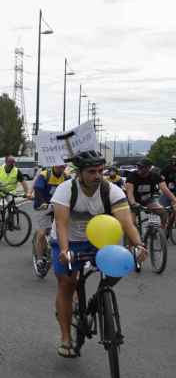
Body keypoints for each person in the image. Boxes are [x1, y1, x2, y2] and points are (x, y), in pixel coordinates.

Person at [52, 151, 145, 357]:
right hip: (70, 240)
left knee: (123, 264)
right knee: (67, 283)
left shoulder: (111, 190)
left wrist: (139, 245)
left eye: (100, 171)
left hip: (99, 238)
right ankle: (66, 337)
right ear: (79, 173)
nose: (97, 175)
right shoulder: (65, 190)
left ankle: (100, 296)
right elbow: (62, 224)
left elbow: (125, 222)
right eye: (91, 171)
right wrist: (65, 250)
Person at [32, 163, 69, 275]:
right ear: (54, 165)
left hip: (59, 206)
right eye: (59, 166)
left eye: (63, 167)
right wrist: (42, 203)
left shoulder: (66, 177)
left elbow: (73, 190)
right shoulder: (45, 175)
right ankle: (39, 259)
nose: (61, 169)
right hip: (44, 206)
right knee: (42, 232)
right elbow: (38, 189)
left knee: (64, 229)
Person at [124, 158, 175, 229]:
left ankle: (162, 230)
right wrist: (133, 203)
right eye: (138, 166)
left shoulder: (155, 176)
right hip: (133, 201)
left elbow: (165, 190)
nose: (139, 168)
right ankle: (135, 237)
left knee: (163, 213)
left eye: (142, 167)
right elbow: (130, 193)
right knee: (132, 223)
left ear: (149, 168)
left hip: (147, 200)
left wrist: (174, 200)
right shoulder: (132, 176)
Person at [0, 155, 33, 229]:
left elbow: (24, 183)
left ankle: (11, 223)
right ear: (6, 162)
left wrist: (27, 193)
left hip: (9, 191)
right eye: (11, 162)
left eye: (14, 162)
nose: (13, 164)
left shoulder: (16, 171)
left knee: (12, 204)